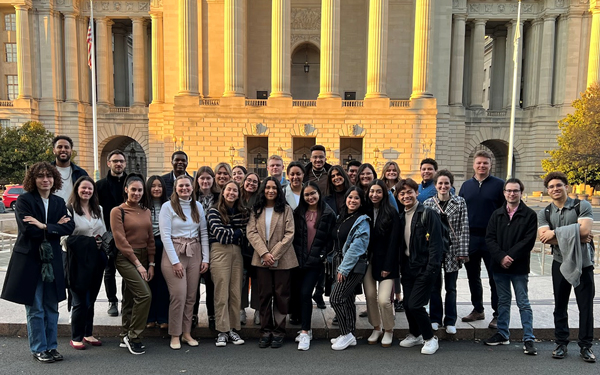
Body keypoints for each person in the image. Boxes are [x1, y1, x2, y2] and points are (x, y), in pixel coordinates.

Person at [1, 162, 74, 363]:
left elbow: (69, 227)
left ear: (54, 179)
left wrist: (42, 225)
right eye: (40, 176)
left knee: (52, 306)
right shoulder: (24, 201)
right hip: (30, 261)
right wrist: (53, 227)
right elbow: (28, 230)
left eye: (49, 176)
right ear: (33, 179)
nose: (45, 179)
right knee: (35, 307)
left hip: (52, 261)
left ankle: (51, 347)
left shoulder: (59, 202)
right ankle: (39, 348)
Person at [538, 172, 596, 363]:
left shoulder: (582, 206)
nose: (555, 189)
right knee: (560, 305)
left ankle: (586, 346)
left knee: (585, 307)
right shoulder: (545, 212)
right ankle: (561, 343)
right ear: (548, 190)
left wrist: (556, 232)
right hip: (560, 263)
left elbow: (586, 231)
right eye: (551, 186)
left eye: (559, 185)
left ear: (567, 187)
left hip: (583, 264)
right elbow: (544, 238)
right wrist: (574, 233)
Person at [483, 178, 537, 355]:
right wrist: (501, 257)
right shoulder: (496, 214)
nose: (512, 193)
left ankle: (528, 338)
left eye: (515, 190)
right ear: (504, 193)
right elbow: (489, 238)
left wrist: (510, 256)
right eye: (508, 190)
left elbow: (528, 241)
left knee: (523, 303)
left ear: (521, 192)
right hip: (499, 267)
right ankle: (503, 334)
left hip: (518, 267)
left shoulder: (529, 215)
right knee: (503, 302)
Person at [160, 175, 209, 350]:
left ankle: (187, 333)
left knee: (191, 297)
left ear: (192, 187)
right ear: (175, 188)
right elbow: (165, 235)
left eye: (187, 185)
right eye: (181, 186)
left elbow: (203, 232)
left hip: (194, 251)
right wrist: (175, 262)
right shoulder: (168, 207)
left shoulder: (198, 207)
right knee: (178, 296)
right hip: (175, 251)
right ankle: (175, 334)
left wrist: (206, 258)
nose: (184, 189)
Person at [246, 177, 296, 348]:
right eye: (267, 188)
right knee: (264, 296)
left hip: (283, 259)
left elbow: (290, 234)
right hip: (261, 260)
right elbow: (251, 232)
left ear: (278, 190)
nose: (270, 191)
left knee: (282, 296)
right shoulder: (256, 209)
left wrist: (272, 254)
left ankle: (279, 331)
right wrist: (264, 253)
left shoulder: (286, 210)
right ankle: (265, 330)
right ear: (263, 189)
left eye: (274, 188)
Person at [397, 178, 444, 355]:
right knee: (408, 305)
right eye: (402, 193)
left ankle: (430, 338)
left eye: (410, 192)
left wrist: (431, 269)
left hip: (425, 268)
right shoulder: (402, 216)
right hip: (408, 267)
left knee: (416, 305)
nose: (406, 196)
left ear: (417, 193)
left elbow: (436, 245)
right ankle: (415, 333)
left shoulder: (428, 213)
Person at [459, 150, 504, 329]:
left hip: (491, 238)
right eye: (479, 163)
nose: (482, 166)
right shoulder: (466, 186)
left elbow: (504, 212)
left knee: (495, 277)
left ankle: (498, 313)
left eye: (485, 163)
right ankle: (478, 309)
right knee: (473, 276)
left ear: (490, 165)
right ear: (474, 165)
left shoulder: (499, 185)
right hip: (470, 237)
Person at [112, 174, 155, 355]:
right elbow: (120, 240)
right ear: (126, 190)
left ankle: (124, 334)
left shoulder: (146, 211)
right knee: (144, 294)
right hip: (126, 257)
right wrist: (138, 264)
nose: (136, 193)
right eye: (133, 189)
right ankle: (134, 336)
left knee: (130, 295)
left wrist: (151, 262)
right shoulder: (117, 211)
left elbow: (150, 238)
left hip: (145, 255)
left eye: (139, 190)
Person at [423, 170, 469, 335]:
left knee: (451, 287)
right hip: (435, 250)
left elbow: (464, 227)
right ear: (435, 185)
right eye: (440, 183)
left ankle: (450, 319)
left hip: (452, 249)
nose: (443, 186)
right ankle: (435, 318)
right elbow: (424, 229)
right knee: (434, 286)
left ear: (451, 184)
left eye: (446, 183)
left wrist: (463, 252)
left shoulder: (460, 202)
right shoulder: (428, 203)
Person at [64, 176, 107, 350]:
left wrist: (100, 243)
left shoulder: (99, 210)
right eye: (84, 188)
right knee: (80, 299)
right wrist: (88, 242)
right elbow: (64, 238)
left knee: (92, 298)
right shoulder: (69, 210)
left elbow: (103, 231)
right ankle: (76, 335)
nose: (87, 191)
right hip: (76, 261)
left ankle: (88, 333)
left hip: (95, 259)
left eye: (90, 188)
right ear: (77, 189)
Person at [291, 182, 336, 350]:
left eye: (313, 193)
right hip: (298, 261)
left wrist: (322, 255)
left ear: (319, 193)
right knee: (299, 295)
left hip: (315, 262)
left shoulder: (327, 213)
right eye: (307, 195)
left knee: (305, 293)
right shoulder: (298, 213)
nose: (310, 197)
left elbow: (331, 239)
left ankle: (304, 332)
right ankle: (306, 328)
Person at [207, 180, 249, 347]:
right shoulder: (213, 211)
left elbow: (245, 231)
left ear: (238, 194)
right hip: (219, 251)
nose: (232, 193)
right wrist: (237, 231)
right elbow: (221, 236)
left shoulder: (242, 212)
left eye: (235, 190)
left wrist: (234, 232)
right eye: (229, 190)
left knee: (235, 291)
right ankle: (222, 331)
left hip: (237, 253)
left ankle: (233, 328)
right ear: (223, 192)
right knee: (221, 291)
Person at [328, 186, 370, 350]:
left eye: (356, 198)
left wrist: (343, 269)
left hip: (352, 265)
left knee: (336, 298)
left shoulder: (362, 220)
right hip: (340, 262)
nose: (352, 201)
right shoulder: (342, 216)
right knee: (347, 299)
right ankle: (349, 333)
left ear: (361, 202)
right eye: (350, 197)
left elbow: (357, 247)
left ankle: (346, 334)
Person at [363, 180, 400, 347]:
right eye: (372, 191)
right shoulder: (365, 211)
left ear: (384, 193)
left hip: (386, 261)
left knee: (384, 300)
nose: (374, 195)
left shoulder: (391, 212)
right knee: (370, 296)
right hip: (367, 261)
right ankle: (376, 327)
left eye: (378, 191)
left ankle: (389, 330)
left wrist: (388, 266)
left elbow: (394, 242)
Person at [96, 149, 128, 317]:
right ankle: (112, 301)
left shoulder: (131, 183)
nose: (118, 164)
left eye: (121, 161)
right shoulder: (100, 186)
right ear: (109, 163)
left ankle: (125, 301)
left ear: (125, 163)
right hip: (108, 233)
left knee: (127, 270)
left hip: (128, 233)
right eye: (115, 161)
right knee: (109, 270)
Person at [191, 166, 219, 330]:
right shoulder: (191, 196)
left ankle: (212, 315)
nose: (205, 181)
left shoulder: (219, 197)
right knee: (193, 282)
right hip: (194, 243)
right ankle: (193, 314)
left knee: (211, 282)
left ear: (213, 180)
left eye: (208, 178)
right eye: (202, 178)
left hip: (213, 243)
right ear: (197, 180)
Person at [145, 176, 170, 330]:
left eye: (159, 186)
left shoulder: (168, 205)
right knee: (149, 281)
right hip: (147, 244)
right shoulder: (143, 206)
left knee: (163, 282)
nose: (156, 189)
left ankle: (162, 317)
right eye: (153, 186)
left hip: (164, 244)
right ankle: (150, 316)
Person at [240, 172, 261, 325]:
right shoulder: (237, 197)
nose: (251, 184)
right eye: (249, 180)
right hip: (239, 243)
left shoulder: (260, 200)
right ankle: (240, 309)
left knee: (257, 278)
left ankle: (258, 309)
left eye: (255, 182)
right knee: (241, 278)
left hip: (255, 244)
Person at [51, 135, 89, 202]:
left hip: (74, 210)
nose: (63, 150)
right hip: (51, 211)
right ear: (54, 150)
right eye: (59, 147)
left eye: (66, 147)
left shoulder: (81, 173)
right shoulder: (46, 171)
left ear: (71, 151)